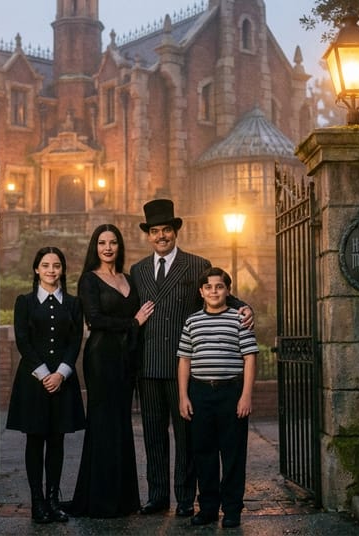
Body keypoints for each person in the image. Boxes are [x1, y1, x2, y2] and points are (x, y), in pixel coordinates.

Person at [129, 199, 253, 518]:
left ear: (175, 232)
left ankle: (185, 498)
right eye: (155, 231)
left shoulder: (197, 264)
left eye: (166, 230)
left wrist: (244, 306)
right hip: (149, 363)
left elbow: (218, 291)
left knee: (186, 438)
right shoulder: (138, 270)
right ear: (148, 235)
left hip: (186, 364)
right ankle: (157, 496)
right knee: (154, 435)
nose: (161, 236)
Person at [69, 224, 154, 517]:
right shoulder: (88, 280)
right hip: (101, 358)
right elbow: (94, 319)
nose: (108, 248)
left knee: (121, 426)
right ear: (95, 247)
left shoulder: (129, 278)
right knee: (103, 425)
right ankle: (101, 501)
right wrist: (134, 322)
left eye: (113, 242)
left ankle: (124, 499)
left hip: (126, 360)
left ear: (119, 246)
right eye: (102, 243)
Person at [5, 246, 86, 524]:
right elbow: (23, 341)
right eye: (46, 265)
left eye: (57, 266)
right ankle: (37, 503)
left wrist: (61, 374)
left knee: (57, 441)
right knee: (35, 440)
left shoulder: (73, 304)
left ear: (62, 270)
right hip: (33, 384)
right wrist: (44, 374)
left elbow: (75, 341)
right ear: (37, 269)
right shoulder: (24, 302)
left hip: (63, 382)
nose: (52, 270)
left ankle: (53, 501)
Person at [177, 267, 258, 528]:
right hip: (200, 393)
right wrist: (183, 396)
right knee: (204, 453)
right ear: (201, 292)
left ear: (228, 290)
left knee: (233, 453)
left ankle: (232, 509)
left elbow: (249, 357)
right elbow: (184, 360)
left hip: (230, 393)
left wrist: (246, 395)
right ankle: (208, 508)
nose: (214, 291)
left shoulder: (238, 319)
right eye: (209, 287)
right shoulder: (192, 322)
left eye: (219, 286)